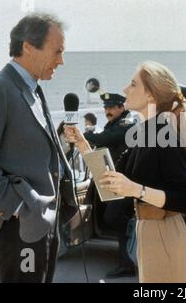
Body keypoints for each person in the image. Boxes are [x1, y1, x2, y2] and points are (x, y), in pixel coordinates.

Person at [0, 13, 78, 283]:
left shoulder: (32, 88)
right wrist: (18, 207)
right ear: (28, 47)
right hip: (20, 228)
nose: (61, 60)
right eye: (56, 51)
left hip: (43, 223)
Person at [65, 61, 186, 283]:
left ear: (151, 95)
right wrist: (82, 145)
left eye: (133, 84)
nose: (126, 89)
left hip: (164, 234)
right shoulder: (144, 132)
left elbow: (183, 199)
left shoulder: (164, 133)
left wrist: (136, 189)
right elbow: (112, 182)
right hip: (147, 230)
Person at [83, 92, 136, 278]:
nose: (108, 110)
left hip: (125, 182)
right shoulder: (113, 124)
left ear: (122, 107)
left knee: (116, 218)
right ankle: (126, 260)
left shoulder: (126, 124)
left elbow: (104, 139)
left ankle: (128, 261)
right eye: (106, 108)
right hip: (114, 181)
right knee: (114, 219)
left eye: (112, 107)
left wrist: (83, 136)